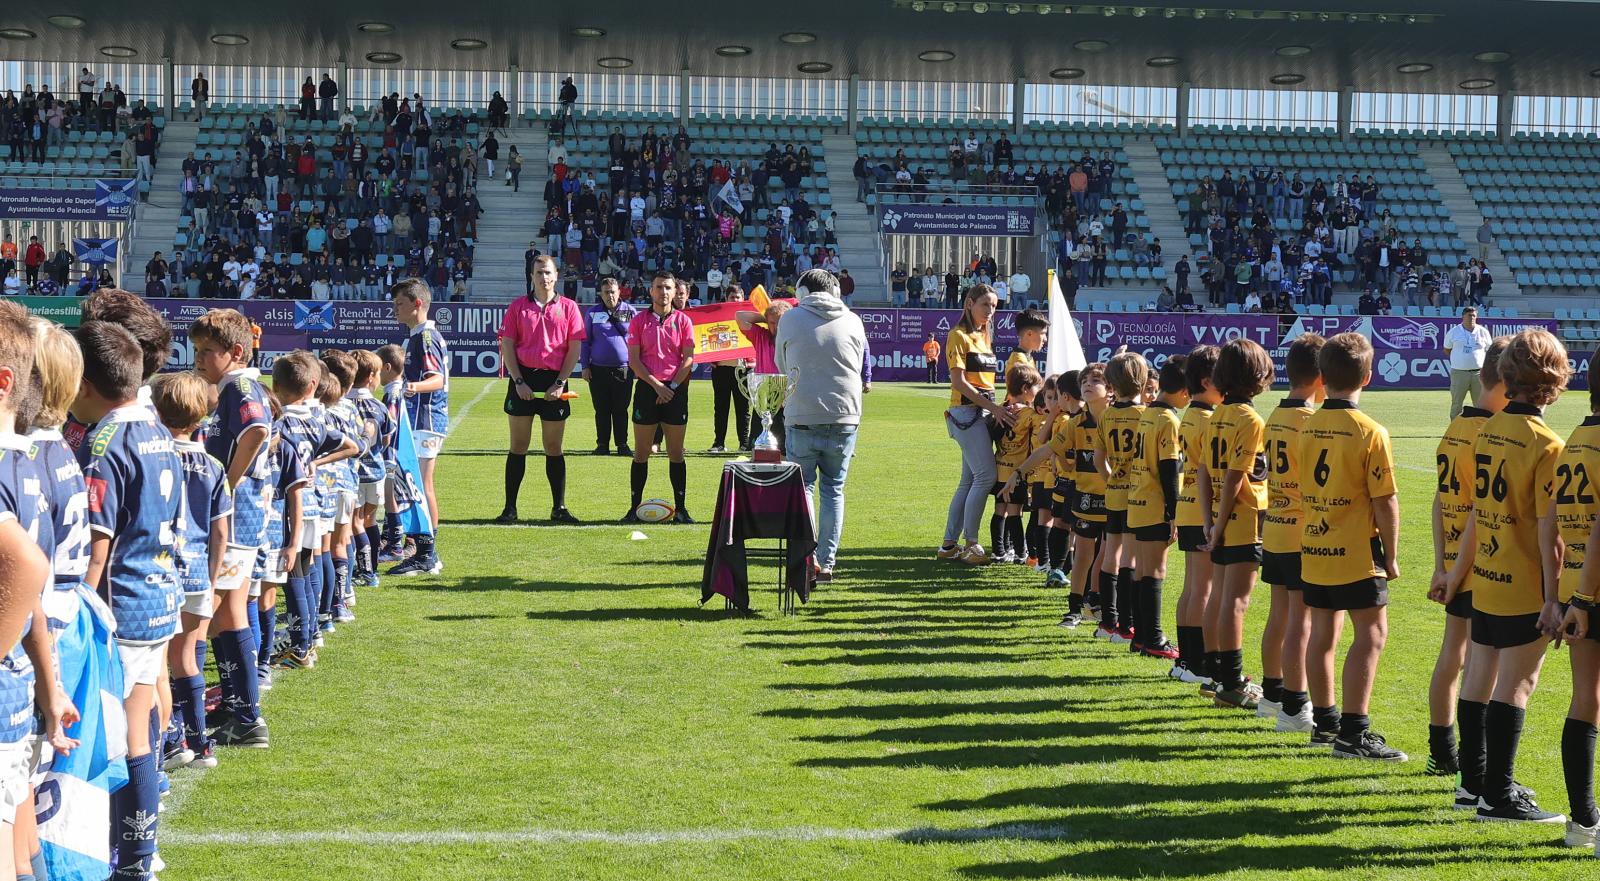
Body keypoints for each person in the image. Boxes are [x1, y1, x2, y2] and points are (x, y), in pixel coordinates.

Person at [1443, 329, 1571, 820]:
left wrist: (1459, 572)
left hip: (1487, 576)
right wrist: (1552, 597)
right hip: (1520, 582)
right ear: (1553, 381)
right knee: (1516, 684)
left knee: (1477, 677)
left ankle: (1471, 784)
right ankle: (1497, 793)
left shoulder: (1488, 430)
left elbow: (1476, 511)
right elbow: (1548, 533)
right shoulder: (1546, 444)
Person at [72, 319, 184, 881]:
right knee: (144, 718)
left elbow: (98, 544)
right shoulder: (159, 429)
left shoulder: (106, 439)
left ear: (85, 383)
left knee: (124, 732)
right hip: (160, 593)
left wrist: (77, 611)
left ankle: (136, 853)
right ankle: (143, 845)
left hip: (124, 604)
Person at [1298, 333, 1405, 761]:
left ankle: (1326, 724)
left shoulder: (1307, 427)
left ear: (1322, 378)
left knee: (1322, 632)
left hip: (1314, 544)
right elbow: (1385, 499)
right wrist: (1392, 555)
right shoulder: (1370, 431)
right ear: (1368, 375)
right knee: (1372, 633)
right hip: (1357, 552)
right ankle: (1354, 732)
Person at [1425, 337, 1509, 779]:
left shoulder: (1456, 425)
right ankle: (1479, 769)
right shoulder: (1490, 434)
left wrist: (1442, 566)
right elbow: (1481, 511)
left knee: (1451, 656)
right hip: (1482, 566)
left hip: (1456, 561)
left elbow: (1439, 501)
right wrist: (1455, 572)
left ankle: (1442, 750)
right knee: (1482, 667)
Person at [189, 308, 273, 746]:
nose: (199, 358)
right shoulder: (226, 386)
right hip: (240, 515)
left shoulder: (240, 385)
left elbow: (257, 429)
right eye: (196, 350)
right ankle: (238, 707)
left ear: (236, 352)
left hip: (237, 517)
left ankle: (242, 712)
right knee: (228, 612)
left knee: (215, 611)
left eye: (208, 351)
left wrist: (228, 481)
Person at [151, 372, 232, 772]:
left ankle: (170, 738)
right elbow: (221, 530)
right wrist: (214, 578)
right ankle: (201, 744)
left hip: (160, 572)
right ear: (201, 417)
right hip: (199, 571)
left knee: (158, 662)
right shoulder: (214, 465)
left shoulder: (150, 455)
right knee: (186, 659)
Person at [1196, 338, 1274, 710]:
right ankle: (1232, 682)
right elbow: (1234, 478)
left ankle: (1218, 675)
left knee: (1224, 598)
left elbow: (1200, 471)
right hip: (1242, 520)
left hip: (1219, 517)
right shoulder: (1249, 419)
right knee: (1236, 602)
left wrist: (1208, 519)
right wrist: (1222, 521)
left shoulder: (1218, 416)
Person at [776, 268, 868, 581]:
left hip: (802, 412)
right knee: (834, 490)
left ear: (802, 292)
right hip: (845, 414)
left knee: (804, 488)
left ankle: (808, 556)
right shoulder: (854, 320)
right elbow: (857, 364)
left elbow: (781, 364)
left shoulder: (790, 318)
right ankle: (827, 562)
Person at [1260, 335, 1325, 732]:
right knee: (1300, 620)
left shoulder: (1276, 415)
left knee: (1279, 612)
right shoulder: (1310, 422)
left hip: (1276, 526)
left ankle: (1271, 694)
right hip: (1302, 528)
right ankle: (1295, 705)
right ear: (1321, 377)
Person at [497, 255, 585, 524]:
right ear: (531, 276)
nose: (543, 277)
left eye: (547, 272)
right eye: (538, 273)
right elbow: (508, 346)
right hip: (523, 381)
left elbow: (574, 349)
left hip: (555, 382)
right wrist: (519, 381)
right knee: (518, 446)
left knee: (553, 447)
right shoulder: (517, 307)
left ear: (556, 275)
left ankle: (559, 508)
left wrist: (559, 383)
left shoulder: (569, 308)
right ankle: (510, 509)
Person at [936, 284, 1011, 566]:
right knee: (985, 477)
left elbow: (984, 381)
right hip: (968, 414)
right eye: (985, 305)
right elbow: (959, 382)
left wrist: (997, 405)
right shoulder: (958, 336)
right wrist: (993, 407)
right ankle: (972, 544)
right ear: (969, 303)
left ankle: (948, 545)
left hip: (981, 413)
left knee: (969, 481)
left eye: (994, 306)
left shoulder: (983, 336)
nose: (991, 311)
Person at [1126, 355, 1190, 660]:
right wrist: (1173, 513)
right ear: (1184, 391)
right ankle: (1153, 638)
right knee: (1155, 571)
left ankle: (1140, 636)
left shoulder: (1149, 414)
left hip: (1137, 500)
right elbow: (1169, 469)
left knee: (1142, 571)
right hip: (1154, 503)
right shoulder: (1168, 420)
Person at [1561, 358, 1600, 849]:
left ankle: (1583, 821)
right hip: (1590, 591)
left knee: (1586, 698)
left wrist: (1566, 597)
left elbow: (1553, 522)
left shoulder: (1572, 440)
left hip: (1576, 590)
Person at [622, 272, 697, 524]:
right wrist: (657, 386)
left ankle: (682, 509)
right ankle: (633, 509)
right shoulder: (638, 321)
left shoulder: (684, 322)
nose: (663, 292)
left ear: (675, 292)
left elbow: (688, 358)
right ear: (651, 291)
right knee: (641, 453)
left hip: (675, 390)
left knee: (676, 453)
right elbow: (634, 360)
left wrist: (672, 386)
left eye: (668, 287)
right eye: (658, 287)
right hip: (647, 389)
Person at [390, 279, 448, 576]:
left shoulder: (426, 337)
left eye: (399, 304)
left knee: (422, 485)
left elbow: (436, 379)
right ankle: (418, 547)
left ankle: (428, 552)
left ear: (417, 304)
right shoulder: (414, 336)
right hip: (418, 418)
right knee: (415, 485)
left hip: (426, 418)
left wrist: (409, 386)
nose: (394, 310)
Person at [1172, 346, 1221, 683]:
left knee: (1192, 586)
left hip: (1187, 504)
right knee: (1201, 588)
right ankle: (1196, 663)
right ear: (1207, 381)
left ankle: (1185, 661)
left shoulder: (1189, 413)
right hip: (1202, 508)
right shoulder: (1208, 420)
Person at [1093, 352, 1149, 645]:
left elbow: (1098, 460)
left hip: (1114, 492)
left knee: (1111, 552)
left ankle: (1107, 620)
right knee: (1131, 557)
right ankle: (1126, 626)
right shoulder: (1146, 416)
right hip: (1138, 495)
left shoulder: (1108, 415)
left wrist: (1111, 480)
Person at [992, 366, 1045, 563]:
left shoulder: (1001, 408)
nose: (1038, 391)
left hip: (999, 469)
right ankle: (1020, 553)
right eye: (1036, 387)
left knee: (999, 511)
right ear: (1025, 389)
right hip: (1018, 472)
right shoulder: (1030, 414)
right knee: (1015, 512)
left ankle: (999, 551)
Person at [582, 278, 636, 457]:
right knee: (602, 409)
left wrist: (615, 317)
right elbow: (585, 341)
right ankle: (602, 445)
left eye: (612, 291)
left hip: (624, 368)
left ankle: (622, 444)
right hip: (597, 369)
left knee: (621, 409)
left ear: (619, 292)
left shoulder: (630, 311)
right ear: (601, 293)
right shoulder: (592, 313)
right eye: (606, 292)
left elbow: (634, 337)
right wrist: (585, 366)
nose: (610, 295)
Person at [735, 301, 791, 452]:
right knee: (759, 447)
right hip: (763, 400)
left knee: (784, 448)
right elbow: (739, 317)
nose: (776, 327)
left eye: (780, 322)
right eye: (772, 322)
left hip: (786, 399)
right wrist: (765, 317)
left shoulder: (793, 339)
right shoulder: (760, 335)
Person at [1445, 307, 1493, 420]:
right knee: (1457, 404)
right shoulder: (1454, 332)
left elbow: (1489, 350)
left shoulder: (1483, 332)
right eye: (1469, 315)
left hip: (1479, 373)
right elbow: (1447, 349)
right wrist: (1460, 360)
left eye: (1474, 316)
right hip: (1459, 373)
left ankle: (1480, 429)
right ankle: (1455, 431)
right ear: (1463, 316)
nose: (1471, 318)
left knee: (1480, 404)